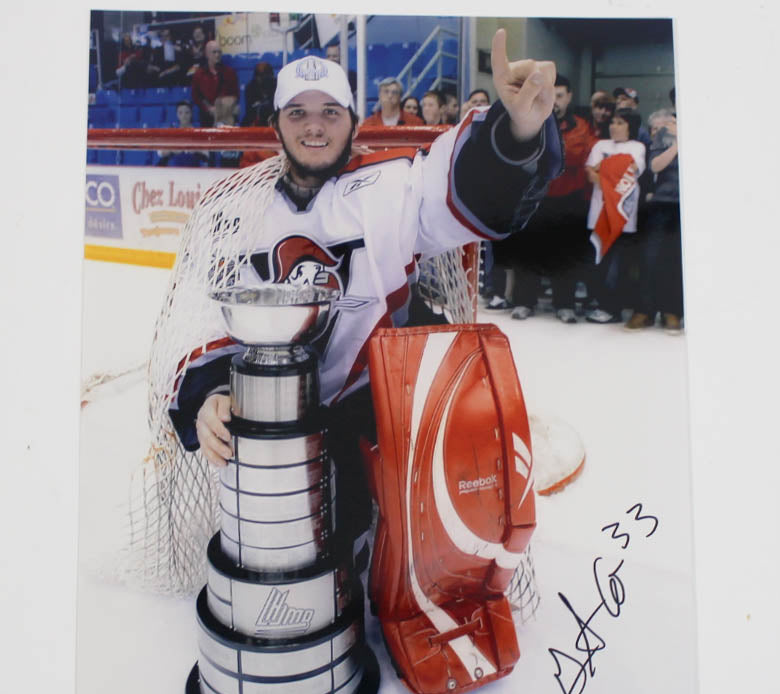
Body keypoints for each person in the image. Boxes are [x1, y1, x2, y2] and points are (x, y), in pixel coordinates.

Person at [171, 32, 562, 562]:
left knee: (405, 531)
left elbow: (470, 188)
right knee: (273, 545)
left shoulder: (392, 183)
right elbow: (201, 322)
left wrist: (517, 129)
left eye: (331, 112)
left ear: (354, 121)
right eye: (298, 112)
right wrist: (210, 396)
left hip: (373, 398)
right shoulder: (233, 209)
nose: (314, 126)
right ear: (276, 124)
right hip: (269, 408)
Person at [485, 74, 595, 323]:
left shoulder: (580, 126)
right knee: (528, 251)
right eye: (550, 95)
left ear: (569, 97)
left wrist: (550, 151)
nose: (554, 101)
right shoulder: (530, 122)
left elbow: (575, 158)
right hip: (535, 197)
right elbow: (525, 156)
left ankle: (564, 304)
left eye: (559, 95)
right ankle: (525, 302)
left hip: (568, 200)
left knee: (564, 254)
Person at [584, 107, 646, 323]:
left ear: (631, 126)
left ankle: (613, 308)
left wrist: (605, 168)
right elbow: (591, 174)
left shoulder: (638, 147)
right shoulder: (600, 145)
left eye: (620, 122)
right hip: (599, 212)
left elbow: (631, 169)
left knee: (618, 266)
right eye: (613, 122)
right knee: (598, 261)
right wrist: (610, 173)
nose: (614, 126)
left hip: (622, 215)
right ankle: (600, 303)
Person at [626, 111, 683, 332]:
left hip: (687, 207)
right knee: (650, 258)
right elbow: (656, 165)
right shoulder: (663, 137)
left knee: (675, 260)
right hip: (663, 203)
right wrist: (679, 143)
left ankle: (672, 311)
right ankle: (645, 310)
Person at [191, 40, 240, 128]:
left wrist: (223, 108)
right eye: (214, 52)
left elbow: (235, 95)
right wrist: (209, 109)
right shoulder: (198, 74)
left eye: (219, 52)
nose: (217, 55)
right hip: (208, 115)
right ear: (207, 54)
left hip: (226, 114)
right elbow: (196, 96)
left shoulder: (230, 73)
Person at [157, 102, 210, 167]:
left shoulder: (199, 132)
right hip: (175, 170)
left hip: (195, 169)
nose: (184, 116)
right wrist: (172, 150)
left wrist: (196, 149)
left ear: (191, 114)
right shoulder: (172, 132)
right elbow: (161, 153)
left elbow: (207, 155)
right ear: (177, 114)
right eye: (180, 113)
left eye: (187, 112)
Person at [242, 61, 276, 126]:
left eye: (266, 76)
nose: (262, 79)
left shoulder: (276, 85)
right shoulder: (251, 87)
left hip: (272, 115)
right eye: (260, 76)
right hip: (255, 116)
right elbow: (250, 109)